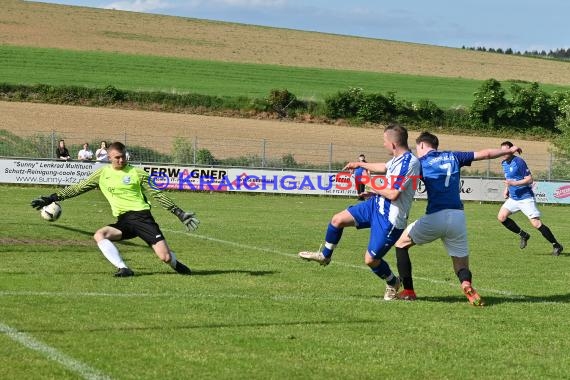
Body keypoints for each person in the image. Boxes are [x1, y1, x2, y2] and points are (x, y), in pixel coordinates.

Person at [31, 141, 199, 277]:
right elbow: (77, 188)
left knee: (165, 257)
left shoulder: (137, 173)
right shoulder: (102, 174)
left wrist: (179, 213)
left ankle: (176, 264)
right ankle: (124, 268)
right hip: (124, 221)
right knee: (100, 235)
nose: (121, 160)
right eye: (117, 157)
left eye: (123, 157)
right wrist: (51, 198)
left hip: (142, 218)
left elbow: (157, 194)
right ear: (109, 157)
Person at [393, 132, 522, 306]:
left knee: (401, 244)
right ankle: (466, 284)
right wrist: (509, 150)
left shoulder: (420, 163)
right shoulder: (453, 156)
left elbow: (395, 174)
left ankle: (408, 290)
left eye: (418, 148)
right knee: (461, 264)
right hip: (457, 217)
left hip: (435, 215)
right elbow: (485, 154)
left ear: (422, 145)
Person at [298, 124, 420, 300]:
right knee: (337, 220)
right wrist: (360, 164)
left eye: (384, 141)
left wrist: (372, 185)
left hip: (390, 219)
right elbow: (384, 168)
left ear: (393, 144)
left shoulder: (410, 163)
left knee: (370, 260)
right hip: (375, 205)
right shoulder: (397, 159)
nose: (383, 144)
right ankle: (324, 256)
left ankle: (393, 282)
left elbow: (393, 194)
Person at [497, 141, 563, 256]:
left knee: (536, 224)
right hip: (513, 198)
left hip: (525, 198)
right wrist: (507, 189)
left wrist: (514, 183)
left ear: (511, 150)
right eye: (502, 150)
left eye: (506, 150)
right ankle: (523, 234)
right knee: (501, 217)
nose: (504, 152)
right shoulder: (503, 163)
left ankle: (556, 245)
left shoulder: (519, 162)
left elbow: (529, 179)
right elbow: (509, 179)